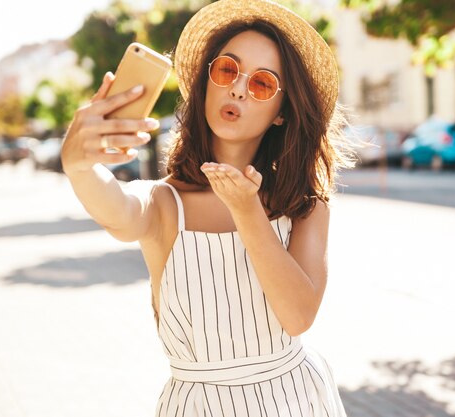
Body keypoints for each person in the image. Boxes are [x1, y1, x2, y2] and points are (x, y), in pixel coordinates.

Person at [61, 0, 351, 415]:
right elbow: (118, 211)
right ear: (207, 83)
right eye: (227, 70)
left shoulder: (304, 207)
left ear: (281, 113)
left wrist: (246, 210)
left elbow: (298, 316)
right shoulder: (164, 203)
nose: (237, 88)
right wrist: (78, 165)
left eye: (262, 84)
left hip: (294, 400)